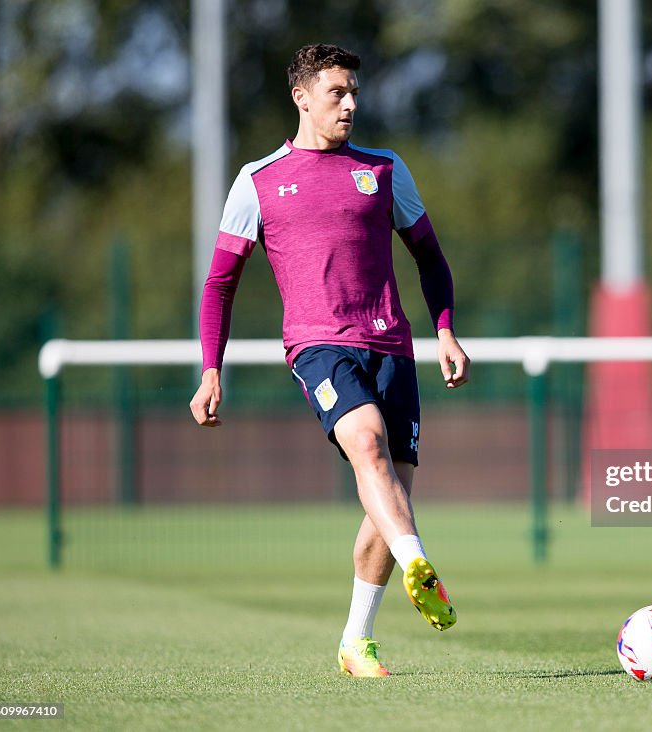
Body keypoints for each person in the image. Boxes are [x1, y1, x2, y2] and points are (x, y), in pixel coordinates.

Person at [189, 43, 470, 678]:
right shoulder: (258, 179)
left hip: (393, 345)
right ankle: (418, 562)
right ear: (302, 96)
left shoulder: (385, 169)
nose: (349, 104)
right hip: (318, 346)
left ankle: (356, 640)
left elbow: (430, 255)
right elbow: (219, 284)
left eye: (354, 92)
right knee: (367, 449)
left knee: (389, 493)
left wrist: (446, 331)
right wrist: (212, 369)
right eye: (337, 92)